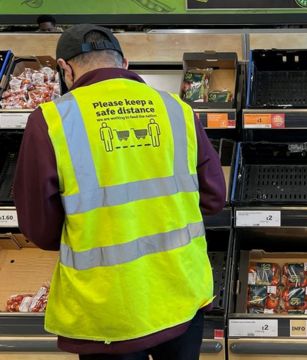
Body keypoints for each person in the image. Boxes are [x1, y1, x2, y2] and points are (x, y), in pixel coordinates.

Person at [14, 24, 227, 360]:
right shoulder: (177, 109)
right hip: (181, 295)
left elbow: (40, 229)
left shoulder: (52, 120)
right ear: (125, 63)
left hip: (109, 312)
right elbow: (214, 199)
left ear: (64, 68)